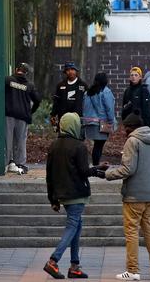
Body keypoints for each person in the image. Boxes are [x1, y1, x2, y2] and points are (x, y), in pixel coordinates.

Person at [44, 112, 108, 279]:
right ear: (74, 126)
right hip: (77, 193)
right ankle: (53, 260)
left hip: (62, 194)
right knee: (73, 225)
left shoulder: (53, 146)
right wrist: (99, 169)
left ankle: (74, 266)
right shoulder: (79, 146)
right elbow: (84, 171)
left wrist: (53, 199)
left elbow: (49, 175)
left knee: (77, 227)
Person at [105, 113, 150, 281]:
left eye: (125, 128)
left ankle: (132, 271)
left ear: (130, 127)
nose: (124, 131)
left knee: (131, 233)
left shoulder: (132, 141)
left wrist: (107, 174)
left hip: (134, 195)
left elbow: (128, 169)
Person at [5, 63, 41, 173]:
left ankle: (6, 163)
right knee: (20, 141)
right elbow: (38, 100)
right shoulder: (29, 85)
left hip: (9, 114)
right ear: (26, 73)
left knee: (7, 139)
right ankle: (20, 164)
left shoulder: (7, 80)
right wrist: (30, 111)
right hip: (23, 116)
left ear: (16, 70)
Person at [83, 73, 116, 165]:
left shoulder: (88, 92)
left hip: (89, 122)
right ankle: (96, 165)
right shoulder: (106, 92)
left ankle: (94, 164)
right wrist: (111, 121)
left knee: (96, 145)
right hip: (101, 123)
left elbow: (84, 107)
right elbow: (109, 108)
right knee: (99, 145)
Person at [51, 61, 87, 130]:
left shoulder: (83, 85)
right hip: (63, 117)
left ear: (76, 71)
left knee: (77, 139)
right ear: (65, 72)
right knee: (63, 138)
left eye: (72, 69)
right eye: (68, 70)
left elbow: (87, 102)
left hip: (78, 118)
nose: (70, 72)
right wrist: (53, 114)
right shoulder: (60, 85)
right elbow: (56, 101)